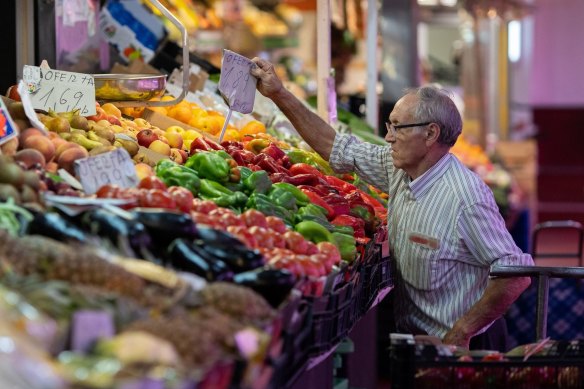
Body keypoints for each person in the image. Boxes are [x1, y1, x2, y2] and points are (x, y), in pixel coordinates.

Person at [250, 58, 535, 350]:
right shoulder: (398, 167)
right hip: (419, 343)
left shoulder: (466, 198)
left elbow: (516, 274)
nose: (388, 137)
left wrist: (462, 331)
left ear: (430, 133)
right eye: (389, 126)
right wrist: (279, 94)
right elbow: (334, 147)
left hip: (466, 346)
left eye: (398, 127)